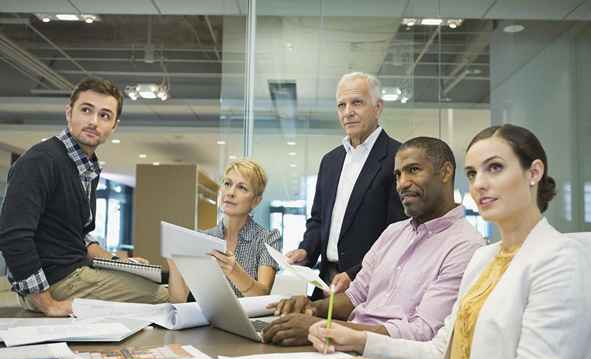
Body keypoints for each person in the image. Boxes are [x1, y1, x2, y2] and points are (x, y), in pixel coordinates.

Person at [309, 124, 591, 359]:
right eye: (473, 174)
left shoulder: (561, 261)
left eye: (495, 168)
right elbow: (441, 352)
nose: (480, 184)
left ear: (533, 172)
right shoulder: (484, 258)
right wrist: (357, 342)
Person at [261, 137, 484, 346]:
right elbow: (354, 297)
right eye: (397, 175)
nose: (402, 184)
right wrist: (311, 308)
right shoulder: (392, 233)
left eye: (413, 170)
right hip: (342, 348)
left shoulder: (466, 246)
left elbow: (423, 333)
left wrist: (323, 328)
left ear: (445, 172)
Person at [0, 78, 168, 316]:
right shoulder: (42, 161)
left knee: (158, 280)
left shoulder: (85, 166)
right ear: (69, 112)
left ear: (114, 126)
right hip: (56, 284)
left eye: (104, 115)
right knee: (168, 294)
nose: (93, 121)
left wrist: (118, 262)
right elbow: (12, 236)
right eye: (86, 110)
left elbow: (76, 236)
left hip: (74, 271)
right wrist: (47, 304)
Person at [286, 72, 405, 297]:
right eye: (341, 105)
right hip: (326, 281)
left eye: (357, 103)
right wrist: (306, 250)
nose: (348, 112)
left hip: (371, 285)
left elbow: (398, 233)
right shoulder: (331, 161)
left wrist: (355, 274)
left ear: (378, 107)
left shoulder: (398, 158)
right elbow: (318, 219)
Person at [168, 159, 282, 302]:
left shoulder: (268, 238)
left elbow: (262, 295)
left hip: (248, 321)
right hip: (207, 320)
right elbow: (178, 301)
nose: (230, 193)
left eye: (242, 188)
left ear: (256, 201)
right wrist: (173, 264)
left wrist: (234, 271)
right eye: (227, 184)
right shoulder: (203, 237)